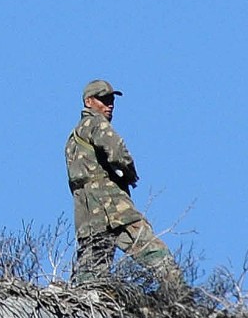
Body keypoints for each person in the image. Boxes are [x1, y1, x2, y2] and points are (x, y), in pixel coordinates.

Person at [64, 79, 185, 287]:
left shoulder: (72, 140)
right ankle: (177, 291)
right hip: (111, 204)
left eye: (111, 99)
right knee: (147, 245)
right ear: (88, 101)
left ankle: (88, 305)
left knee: (92, 264)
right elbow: (117, 151)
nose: (109, 104)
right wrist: (130, 174)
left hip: (86, 211)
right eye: (103, 99)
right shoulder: (96, 123)